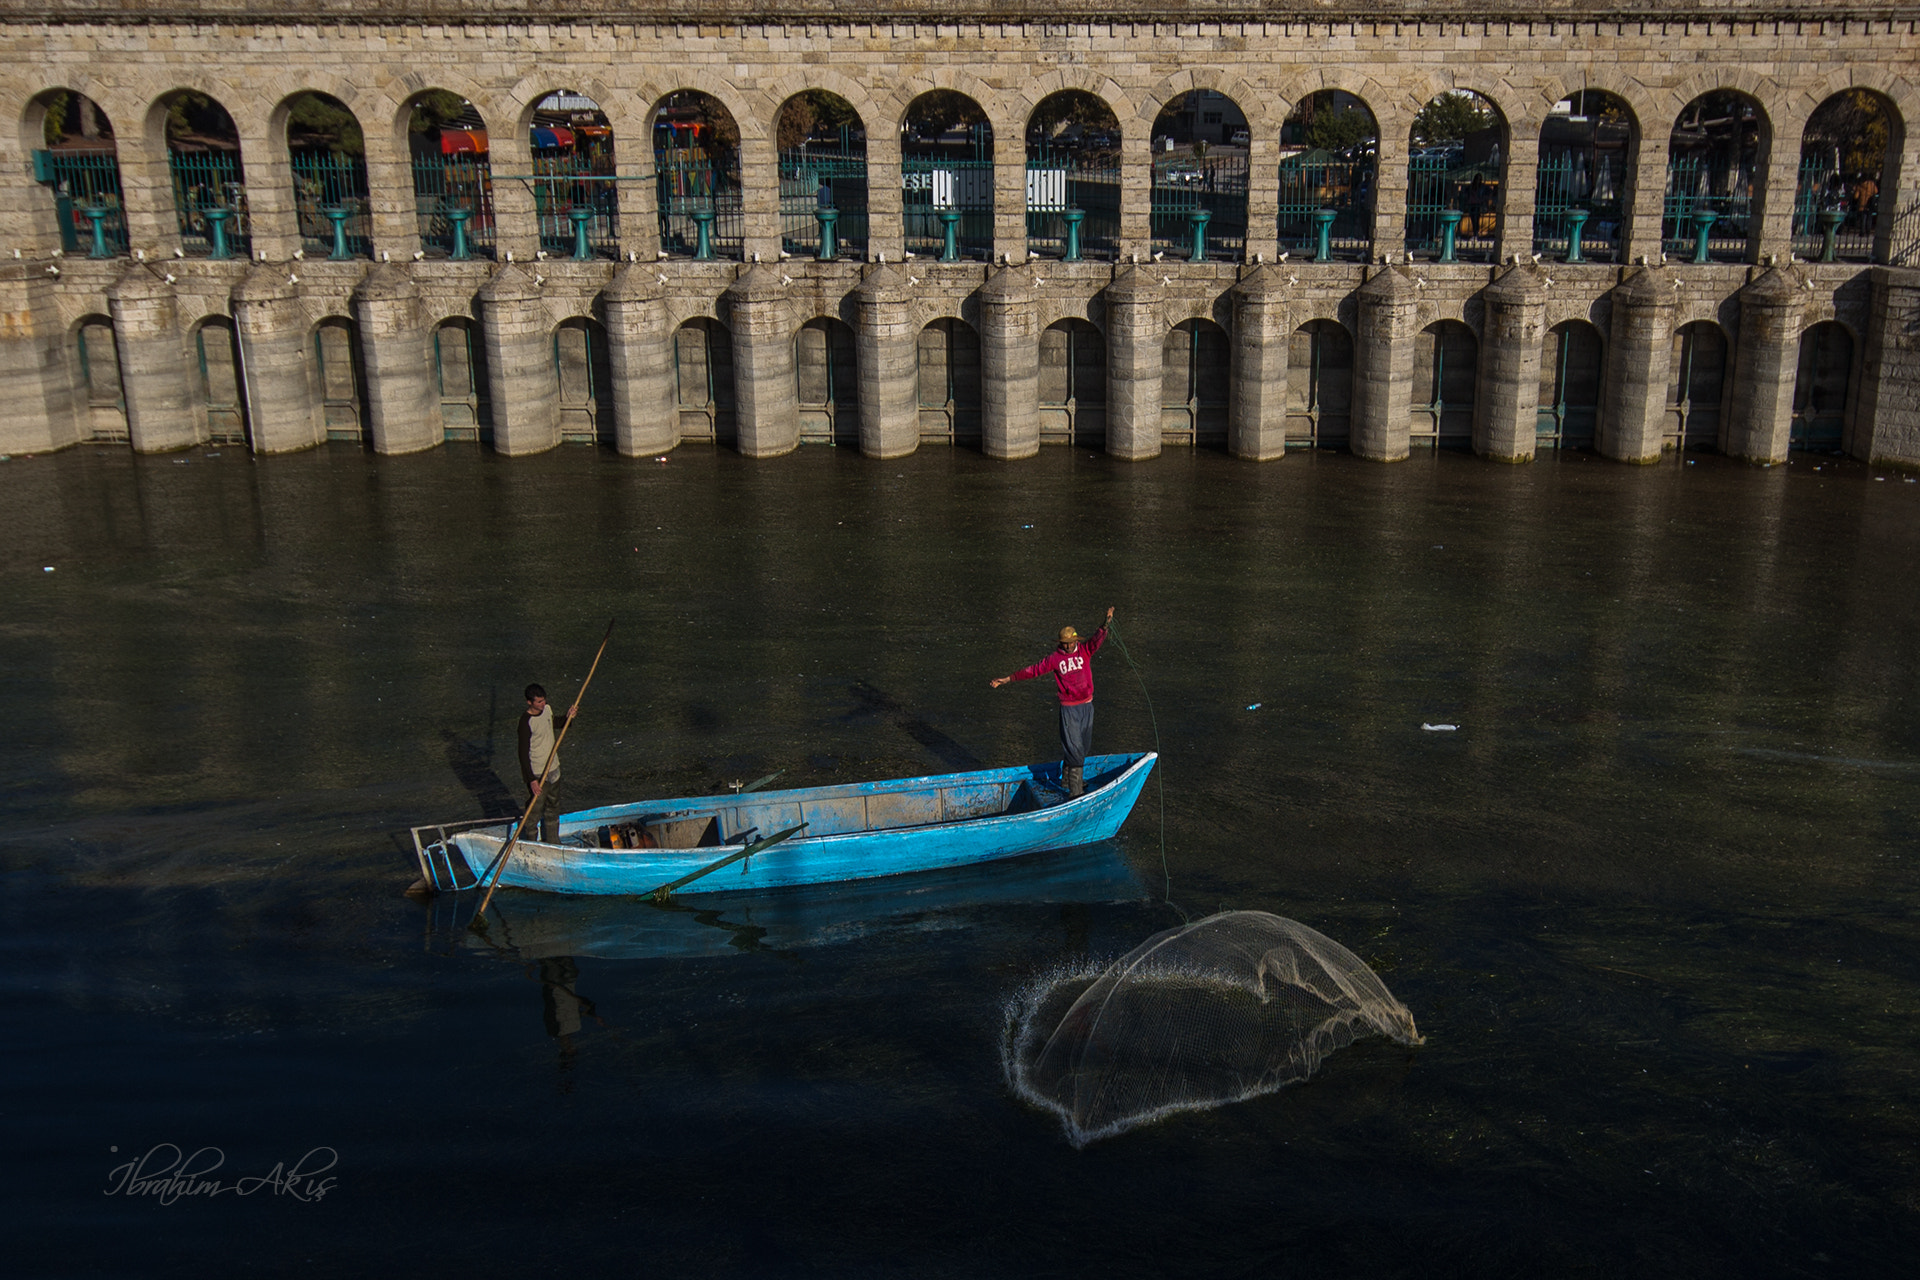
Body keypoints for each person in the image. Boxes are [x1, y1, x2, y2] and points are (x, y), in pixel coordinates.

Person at [990, 607, 1115, 798]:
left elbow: (1097, 639)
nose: (1068, 646)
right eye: (1064, 643)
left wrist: (1106, 623)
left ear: (1076, 641)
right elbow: (1032, 671)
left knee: (1083, 746)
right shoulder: (1055, 659)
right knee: (1075, 751)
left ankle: (1066, 778)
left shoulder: (1085, 651)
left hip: (1087, 705)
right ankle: (1075, 793)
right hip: (1069, 709)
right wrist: (1007, 679)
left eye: (1070, 642)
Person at [517, 683, 577, 844]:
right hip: (538, 773)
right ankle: (531, 843)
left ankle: (553, 841)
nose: (543, 704)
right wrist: (532, 780)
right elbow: (522, 754)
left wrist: (568, 717)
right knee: (534, 812)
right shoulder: (525, 722)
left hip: (554, 768)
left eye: (544, 701)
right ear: (529, 702)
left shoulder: (547, 710)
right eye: (539, 702)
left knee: (553, 807)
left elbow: (555, 723)